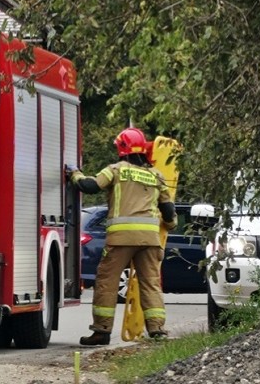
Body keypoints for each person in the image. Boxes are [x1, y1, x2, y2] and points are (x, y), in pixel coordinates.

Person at [66, 127, 177, 345]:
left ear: (122, 148)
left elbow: (90, 186)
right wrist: (170, 225)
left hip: (121, 239)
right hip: (150, 241)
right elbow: (168, 211)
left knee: (107, 282)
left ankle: (102, 331)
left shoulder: (115, 170)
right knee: (151, 283)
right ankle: (157, 330)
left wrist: (74, 174)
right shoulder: (156, 175)